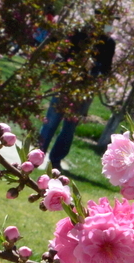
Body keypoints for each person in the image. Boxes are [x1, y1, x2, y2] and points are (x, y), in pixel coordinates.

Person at [38, 25, 115, 171]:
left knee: (70, 126)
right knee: (52, 120)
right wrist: (77, 63)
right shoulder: (79, 34)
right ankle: (38, 154)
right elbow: (63, 55)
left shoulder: (108, 43)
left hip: (85, 90)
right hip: (66, 84)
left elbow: (106, 70)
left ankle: (56, 159)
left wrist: (94, 67)